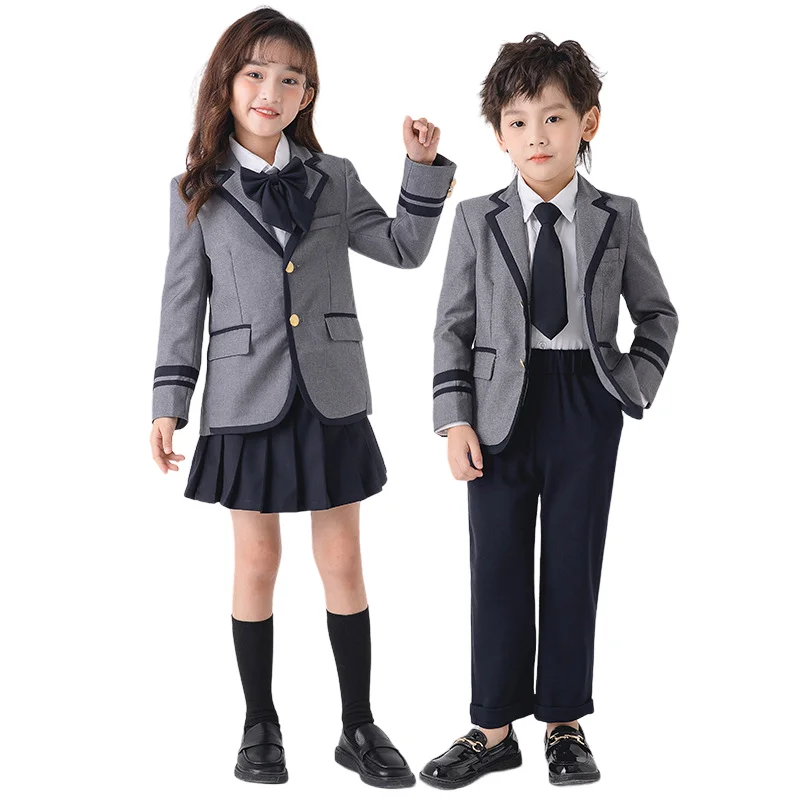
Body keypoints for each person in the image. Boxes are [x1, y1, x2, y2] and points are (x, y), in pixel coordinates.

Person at [148, 7, 456, 788]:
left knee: (343, 559)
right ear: (227, 82)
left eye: (290, 79)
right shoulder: (196, 190)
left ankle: (358, 724)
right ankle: (260, 724)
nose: (271, 90)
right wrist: (169, 399)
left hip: (330, 391)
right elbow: (183, 301)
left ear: (307, 95)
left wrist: (421, 168)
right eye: (255, 73)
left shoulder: (333, 176)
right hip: (243, 395)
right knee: (256, 562)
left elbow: (403, 249)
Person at [422, 32, 677, 788]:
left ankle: (564, 724)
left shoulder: (616, 216)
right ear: (499, 134)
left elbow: (658, 314)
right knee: (496, 567)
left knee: (572, 564)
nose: (537, 135)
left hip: (585, 401)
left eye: (554, 118)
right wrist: (454, 418)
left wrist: (630, 385)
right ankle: (493, 729)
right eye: (519, 121)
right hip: (498, 408)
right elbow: (451, 326)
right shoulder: (477, 218)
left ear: (587, 123)